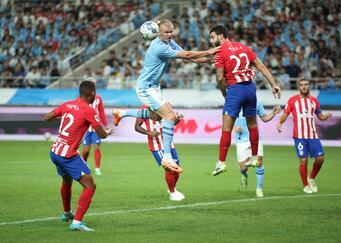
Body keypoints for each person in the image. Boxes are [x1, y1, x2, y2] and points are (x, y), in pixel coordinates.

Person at [112, 19, 220, 173]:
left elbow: (187, 56)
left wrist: (207, 60)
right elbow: (187, 54)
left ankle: (122, 113)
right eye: (166, 32)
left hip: (154, 87)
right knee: (170, 116)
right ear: (158, 33)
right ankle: (167, 158)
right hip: (146, 88)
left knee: (156, 117)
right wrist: (208, 52)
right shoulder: (158, 47)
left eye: (171, 32)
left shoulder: (169, 42)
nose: (169, 35)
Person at [209, 25, 281, 176]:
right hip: (250, 89)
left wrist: (224, 93)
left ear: (221, 36)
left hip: (235, 90)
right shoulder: (243, 47)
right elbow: (261, 66)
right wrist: (273, 84)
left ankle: (221, 163)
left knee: (226, 127)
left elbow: (220, 77)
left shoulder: (220, 52)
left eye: (212, 37)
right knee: (253, 125)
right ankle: (254, 158)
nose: (211, 41)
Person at [44, 80, 113, 232]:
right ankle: (76, 222)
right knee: (90, 186)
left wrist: (64, 116)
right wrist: (107, 132)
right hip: (68, 155)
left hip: (55, 151)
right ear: (93, 94)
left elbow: (47, 117)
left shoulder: (67, 104)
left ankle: (67, 213)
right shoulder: (88, 110)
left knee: (67, 181)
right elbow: (101, 134)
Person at [277, 78, 332, 194]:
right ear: (299, 87)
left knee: (321, 158)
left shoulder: (314, 101)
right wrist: (280, 123)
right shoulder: (292, 100)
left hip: (312, 135)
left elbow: (320, 116)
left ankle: (311, 178)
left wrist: (325, 116)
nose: (304, 86)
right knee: (303, 160)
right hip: (299, 136)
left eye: (306, 84)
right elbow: (285, 114)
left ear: (309, 86)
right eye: (301, 85)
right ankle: (305, 185)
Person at [135, 105, 185, 201]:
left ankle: (172, 188)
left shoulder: (164, 105)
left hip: (169, 143)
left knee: (176, 167)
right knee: (169, 168)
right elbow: (137, 127)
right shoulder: (144, 108)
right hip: (156, 145)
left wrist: (178, 119)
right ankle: (172, 193)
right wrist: (149, 132)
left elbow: (172, 122)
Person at [234, 102, 281, 197]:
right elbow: (227, 119)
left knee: (259, 162)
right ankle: (244, 174)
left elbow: (265, 118)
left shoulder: (256, 101)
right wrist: (234, 127)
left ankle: (259, 188)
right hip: (241, 139)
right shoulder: (235, 100)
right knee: (243, 167)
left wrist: (273, 113)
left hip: (255, 137)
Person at [81, 81, 109, 176]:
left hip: (96, 128)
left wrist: (105, 124)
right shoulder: (82, 98)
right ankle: (84, 166)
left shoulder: (98, 98)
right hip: (85, 128)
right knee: (86, 150)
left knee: (96, 147)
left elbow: (101, 112)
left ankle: (97, 168)